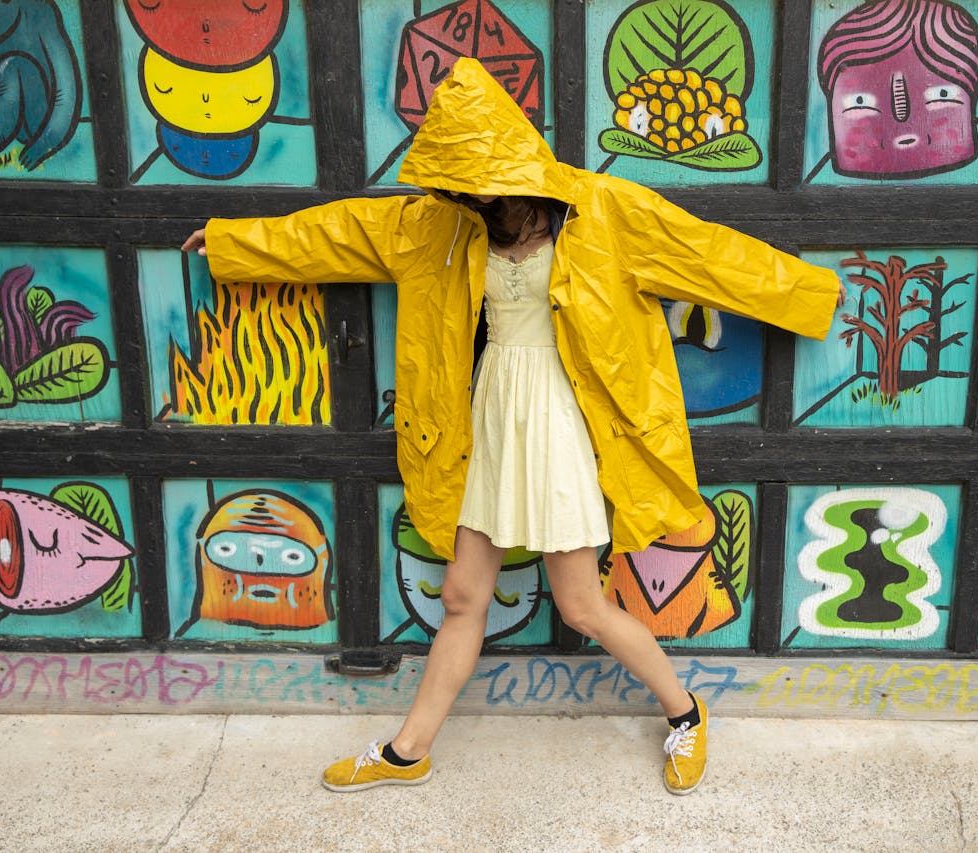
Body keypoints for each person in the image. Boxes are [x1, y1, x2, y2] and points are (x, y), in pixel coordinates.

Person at [182, 58, 842, 796]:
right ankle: (409, 750)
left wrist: (814, 293)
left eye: (476, 175)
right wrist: (235, 246)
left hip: (560, 419)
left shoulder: (604, 210)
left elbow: (710, 255)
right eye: (455, 179)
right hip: (489, 419)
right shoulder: (437, 221)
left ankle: (686, 713)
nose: (466, 192)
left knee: (582, 604)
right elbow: (339, 235)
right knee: (464, 595)